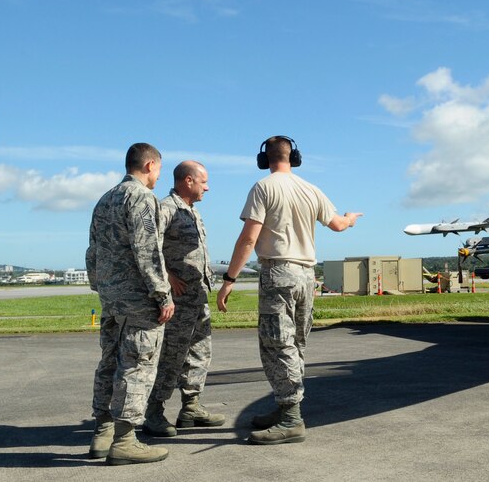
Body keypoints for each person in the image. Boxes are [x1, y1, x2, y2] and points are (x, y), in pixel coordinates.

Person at [217, 136, 361, 445]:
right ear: (293, 157)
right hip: (307, 276)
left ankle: (291, 418)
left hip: (278, 272)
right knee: (295, 344)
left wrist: (229, 279)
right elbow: (337, 225)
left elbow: (248, 239)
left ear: (264, 159)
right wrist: (350, 219)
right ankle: (285, 408)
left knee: (276, 345)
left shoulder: (264, 188)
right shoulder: (311, 189)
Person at [86, 142, 175, 465]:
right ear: (150, 165)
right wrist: (162, 294)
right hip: (138, 301)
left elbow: (92, 251)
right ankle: (125, 440)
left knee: (109, 363)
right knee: (137, 365)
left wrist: (102, 288)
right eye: (159, 170)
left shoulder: (105, 199)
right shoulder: (142, 198)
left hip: (111, 299)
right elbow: (148, 250)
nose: (158, 178)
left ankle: (102, 432)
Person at [142, 161, 226, 437]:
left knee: (200, 353)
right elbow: (147, 245)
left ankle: (191, 407)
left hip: (197, 297)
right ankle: (154, 411)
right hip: (177, 300)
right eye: (204, 181)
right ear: (188, 181)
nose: (208, 187)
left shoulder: (192, 211)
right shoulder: (166, 208)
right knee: (171, 356)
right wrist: (166, 277)